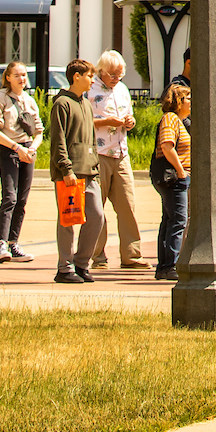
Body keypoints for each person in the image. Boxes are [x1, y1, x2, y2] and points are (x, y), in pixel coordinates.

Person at [46, 57, 103, 285]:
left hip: (89, 171)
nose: (92, 80)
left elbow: (92, 139)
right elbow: (58, 140)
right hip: (69, 174)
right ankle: (64, 267)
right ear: (76, 77)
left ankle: (81, 263)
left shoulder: (86, 104)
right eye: (89, 76)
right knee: (68, 220)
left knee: (96, 216)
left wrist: (95, 165)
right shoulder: (62, 104)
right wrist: (66, 168)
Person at [87, 51, 145, 269]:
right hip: (98, 153)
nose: (115, 79)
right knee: (96, 208)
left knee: (127, 205)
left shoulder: (122, 89)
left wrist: (129, 121)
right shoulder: (90, 89)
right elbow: (84, 120)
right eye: (112, 74)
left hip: (121, 153)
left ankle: (132, 256)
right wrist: (105, 122)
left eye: (119, 75)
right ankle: (97, 256)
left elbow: (129, 114)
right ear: (101, 70)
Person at [0, 60, 42, 265]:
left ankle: (14, 242)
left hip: (28, 150)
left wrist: (31, 149)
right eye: (17, 75)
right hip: (9, 150)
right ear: (8, 77)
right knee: (9, 197)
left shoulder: (29, 100)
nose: (22, 79)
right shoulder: (0, 99)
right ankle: (1, 244)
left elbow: (39, 132)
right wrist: (17, 149)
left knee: (22, 199)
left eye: (24, 75)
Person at [152, 81, 192, 278]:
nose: (192, 102)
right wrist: (181, 171)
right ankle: (170, 265)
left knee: (170, 220)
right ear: (178, 101)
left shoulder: (181, 121)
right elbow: (167, 146)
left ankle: (165, 265)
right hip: (175, 178)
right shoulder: (170, 119)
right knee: (178, 220)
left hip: (180, 177)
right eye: (188, 98)